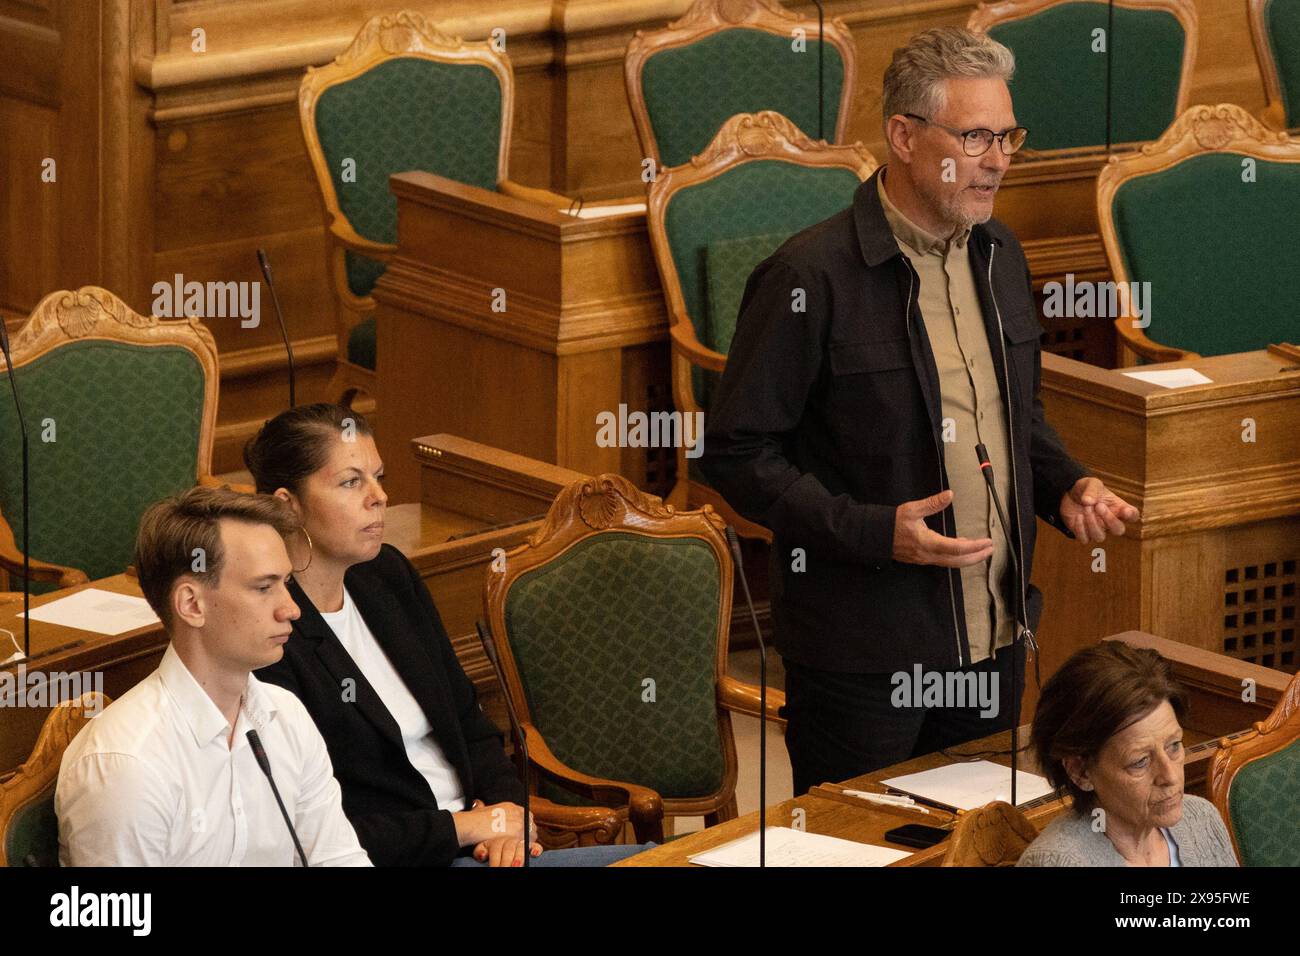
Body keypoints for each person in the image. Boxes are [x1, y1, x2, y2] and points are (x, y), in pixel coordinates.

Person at [699, 27, 1141, 796]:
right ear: (903, 136)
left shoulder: (999, 253)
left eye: (1007, 136)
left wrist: (1065, 484)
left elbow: (1011, 418)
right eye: (974, 136)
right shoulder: (810, 276)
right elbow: (736, 452)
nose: (998, 158)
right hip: (863, 656)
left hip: (994, 632)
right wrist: (872, 531)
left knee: (977, 845)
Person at [246, 404, 646, 866]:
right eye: (351, 482)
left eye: (378, 477)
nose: (379, 496)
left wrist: (507, 817)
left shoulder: (386, 576)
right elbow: (310, 828)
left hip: (484, 845)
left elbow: (470, 723)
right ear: (286, 505)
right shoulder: (273, 636)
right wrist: (466, 828)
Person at [56, 487, 370, 866]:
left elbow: (337, 858)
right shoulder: (127, 765)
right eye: (263, 587)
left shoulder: (287, 716)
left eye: (286, 584)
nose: (291, 609)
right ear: (192, 604)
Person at [1018, 642, 1238, 866]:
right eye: (1140, 762)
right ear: (1081, 772)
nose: (1170, 777)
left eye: (1173, 746)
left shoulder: (1201, 819)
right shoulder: (1055, 863)